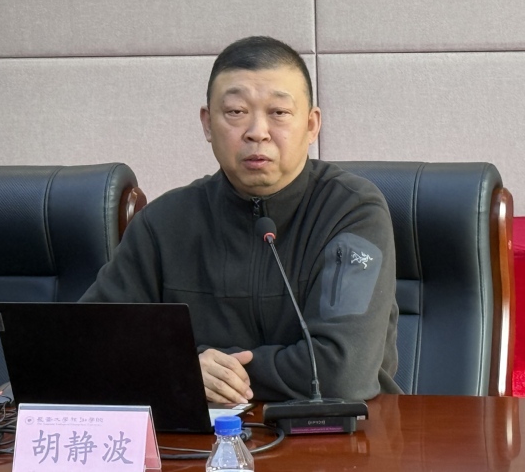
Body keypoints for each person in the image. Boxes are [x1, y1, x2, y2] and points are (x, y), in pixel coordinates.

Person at [80, 36, 401, 403]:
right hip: (200, 436)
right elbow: (87, 344)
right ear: (207, 124)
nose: (257, 132)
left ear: (312, 125)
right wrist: (180, 368)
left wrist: (194, 371)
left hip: (338, 434)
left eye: (279, 112)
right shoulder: (164, 224)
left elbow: (341, 373)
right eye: (236, 112)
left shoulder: (351, 212)